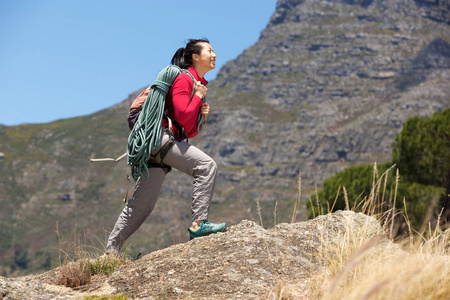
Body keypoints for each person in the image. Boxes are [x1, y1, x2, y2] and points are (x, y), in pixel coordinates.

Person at [106, 39, 226, 254]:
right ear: (195, 57)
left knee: (143, 205)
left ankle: (110, 252)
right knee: (206, 166)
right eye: (210, 50)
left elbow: (188, 130)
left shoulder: (194, 84)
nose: (214, 54)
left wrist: (201, 113)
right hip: (159, 137)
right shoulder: (184, 78)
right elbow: (181, 114)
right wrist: (197, 96)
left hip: (155, 143)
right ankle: (199, 224)